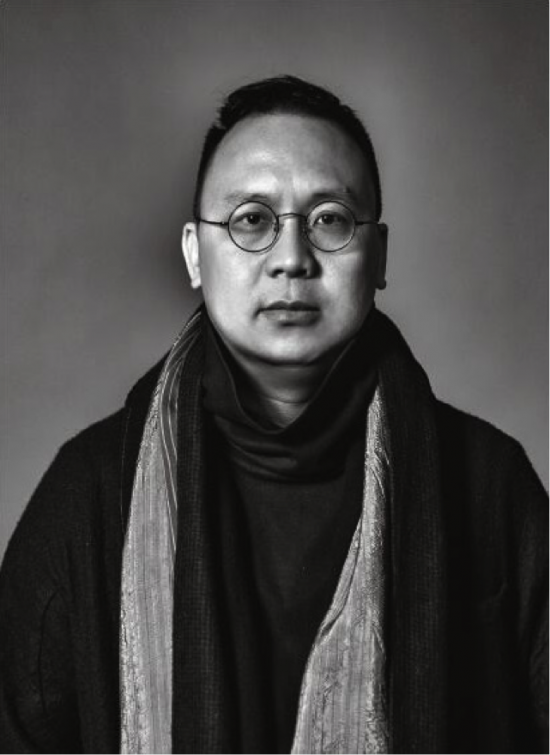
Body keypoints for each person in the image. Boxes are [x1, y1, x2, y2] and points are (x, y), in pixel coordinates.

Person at [0, 75, 547, 755]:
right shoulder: (92, 490)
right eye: (252, 219)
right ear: (195, 253)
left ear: (378, 255)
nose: (292, 260)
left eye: (330, 219)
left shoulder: (488, 485)